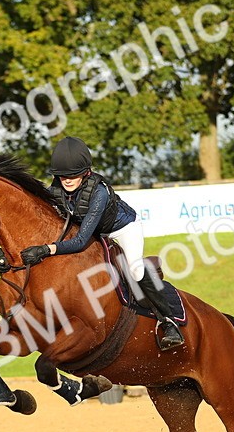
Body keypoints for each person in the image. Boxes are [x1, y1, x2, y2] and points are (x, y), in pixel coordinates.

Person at [20, 137, 185, 350]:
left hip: (122, 229)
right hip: (93, 232)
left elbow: (80, 241)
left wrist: (47, 249)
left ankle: (169, 321)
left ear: (86, 172)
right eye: (62, 176)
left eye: (73, 175)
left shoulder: (99, 192)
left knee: (134, 269)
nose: (67, 180)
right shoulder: (55, 189)